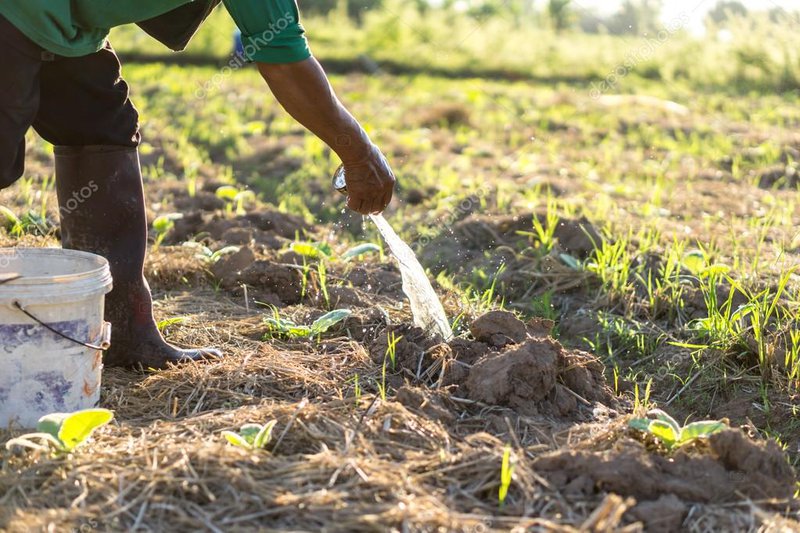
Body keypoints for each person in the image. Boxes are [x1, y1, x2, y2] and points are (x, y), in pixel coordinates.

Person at [0, 1, 396, 369]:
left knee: (101, 126)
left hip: (62, 24)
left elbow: (280, 45)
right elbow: (284, 59)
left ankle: (122, 330)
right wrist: (360, 153)